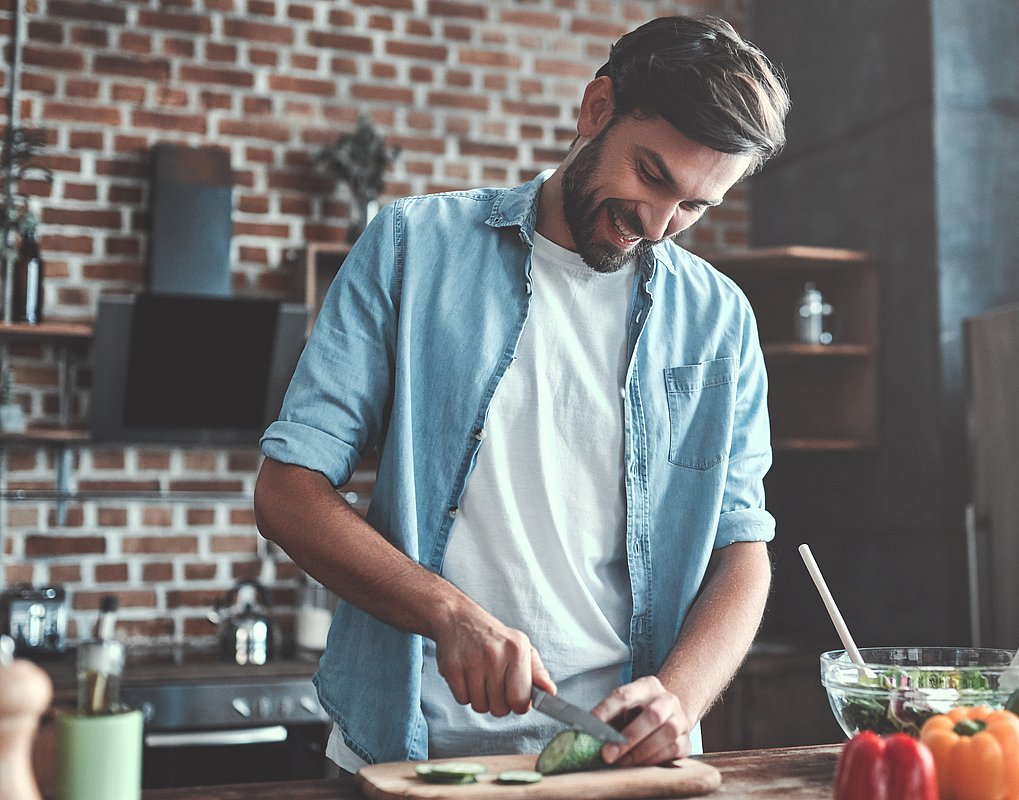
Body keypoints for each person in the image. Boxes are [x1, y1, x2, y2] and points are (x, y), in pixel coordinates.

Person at [254, 14, 790, 773]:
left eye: (695, 207)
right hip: (410, 756)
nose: (660, 225)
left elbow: (742, 547)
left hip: (615, 768)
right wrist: (448, 616)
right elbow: (287, 491)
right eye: (652, 175)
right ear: (596, 109)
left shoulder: (719, 318)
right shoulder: (413, 247)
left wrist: (679, 696)